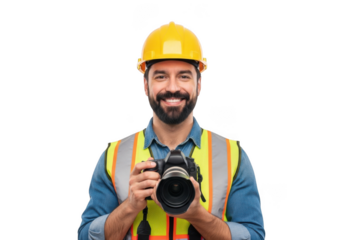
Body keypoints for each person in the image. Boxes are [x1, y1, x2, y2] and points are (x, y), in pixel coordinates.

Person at [77, 20, 266, 240]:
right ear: (146, 85)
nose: (173, 87)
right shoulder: (115, 155)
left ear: (199, 85)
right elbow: (85, 236)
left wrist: (197, 215)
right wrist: (130, 206)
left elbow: (255, 236)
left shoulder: (232, 155)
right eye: (161, 76)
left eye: (184, 76)